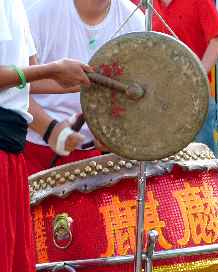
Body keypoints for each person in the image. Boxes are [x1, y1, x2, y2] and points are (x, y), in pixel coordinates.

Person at [0, 0, 96, 272]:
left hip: (11, 153)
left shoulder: (17, 6)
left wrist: (96, 83)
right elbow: (33, 73)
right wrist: (54, 69)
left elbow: (25, 79)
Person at [23, 0, 145, 175]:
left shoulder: (135, 20)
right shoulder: (36, 10)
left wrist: (117, 131)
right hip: (34, 149)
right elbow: (9, 87)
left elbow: (138, 94)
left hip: (97, 160)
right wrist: (49, 129)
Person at [151, 0, 218, 155]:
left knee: (203, 161)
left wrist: (196, 78)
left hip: (195, 97)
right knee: (164, 162)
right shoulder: (145, 4)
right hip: (157, 99)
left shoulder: (199, 1)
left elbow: (217, 41)